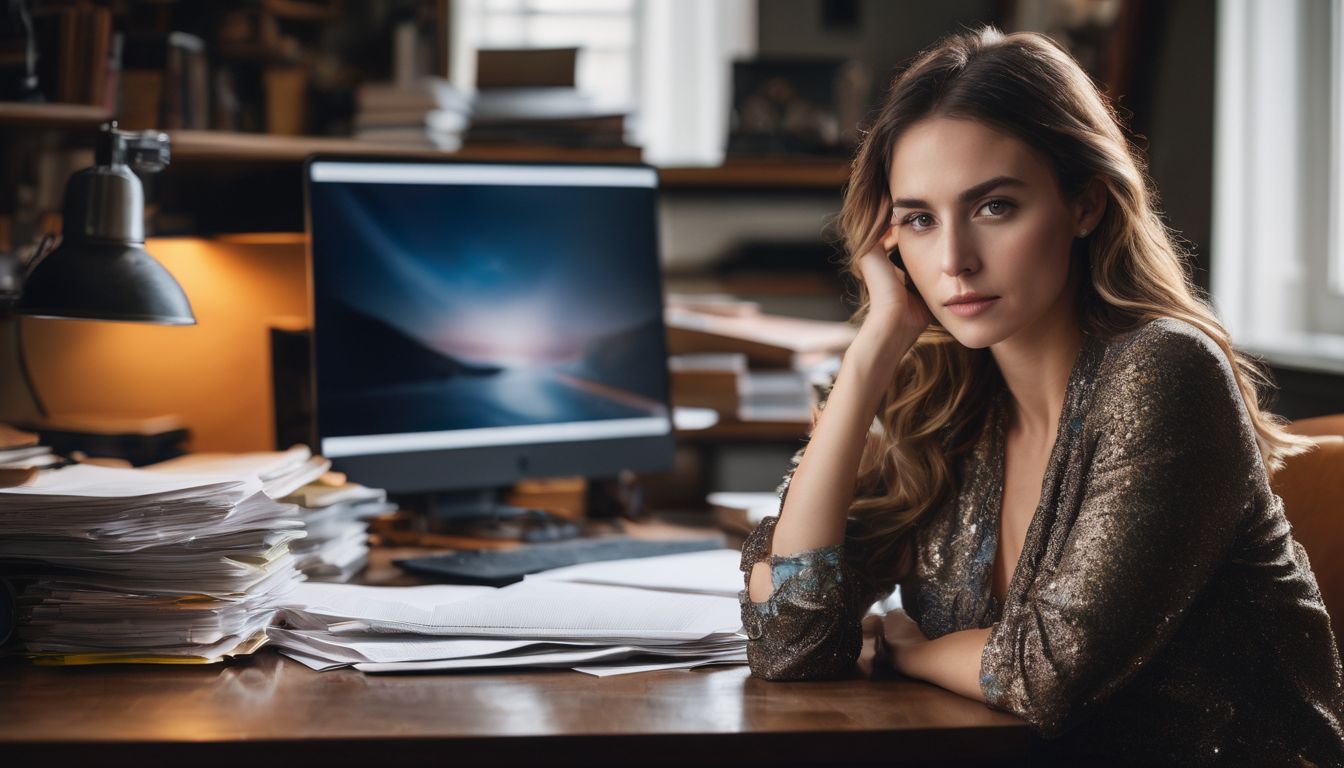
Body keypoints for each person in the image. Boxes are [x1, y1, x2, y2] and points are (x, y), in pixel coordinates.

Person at [739, 25, 1344, 766]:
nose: (954, 261)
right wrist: (871, 354)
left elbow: (1045, 674)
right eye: (919, 219)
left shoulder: (1164, 375)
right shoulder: (945, 399)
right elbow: (790, 641)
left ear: (1084, 204)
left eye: (995, 207)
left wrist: (912, 651)